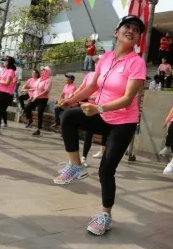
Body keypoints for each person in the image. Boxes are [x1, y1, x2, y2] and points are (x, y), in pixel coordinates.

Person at [55, 15, 146, 236]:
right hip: (104, 116)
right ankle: (76, 165)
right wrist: (72, 99)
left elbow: (127, 99)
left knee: (106, 170)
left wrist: (99, 108)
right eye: (127, 26)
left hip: (123, 122)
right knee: (68, 116)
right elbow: (93, 86)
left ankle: (105, 215)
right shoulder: (105, 58)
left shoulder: (137, 63)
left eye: (136, 30)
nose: (131, 31)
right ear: (116, 32)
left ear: (138, 38)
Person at [0, 56, 17, 134]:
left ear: (9, 62)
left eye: (5, 61)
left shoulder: (11, 71)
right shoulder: (4, 70)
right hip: (1, 92)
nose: (4, 62)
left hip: (6, 94)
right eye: (4, 61)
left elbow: (7, 83)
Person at [24, 66, 53, 136]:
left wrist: (37, 96)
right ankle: (30, 120)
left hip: (43, 99)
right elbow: (35, 89)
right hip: (35, 97)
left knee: (40, 113)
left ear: (47, 72)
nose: (42, 72)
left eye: (44, 70)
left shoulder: (48, 80)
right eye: (42, 70)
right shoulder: (39, 79)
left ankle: (38, 130)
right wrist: (31, 97)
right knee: (27, 107)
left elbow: (46, 91)